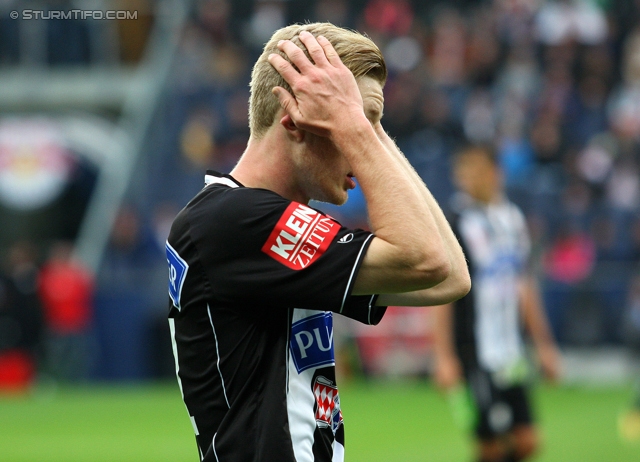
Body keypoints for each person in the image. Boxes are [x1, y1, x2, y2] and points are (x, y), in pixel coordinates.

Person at [166, 22, 470, 462]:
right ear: (294, 122)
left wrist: (373, 129)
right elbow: (422, 258)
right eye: (349, 120)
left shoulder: (265, 225)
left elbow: (449, 277)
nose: (363, 142)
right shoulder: (229, 220)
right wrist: (358, 127)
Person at [433, 145, 561, 462]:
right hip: (474, 352)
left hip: (511, 352)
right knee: (490, 446)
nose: (467, 179)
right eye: (462, 172)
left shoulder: (513, 220)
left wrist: (544, 345)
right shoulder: (455, 223)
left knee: (527, 441)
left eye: (474, 170)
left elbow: (525, 286)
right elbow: (441, 295)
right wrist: (444, 356)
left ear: (495, 173)